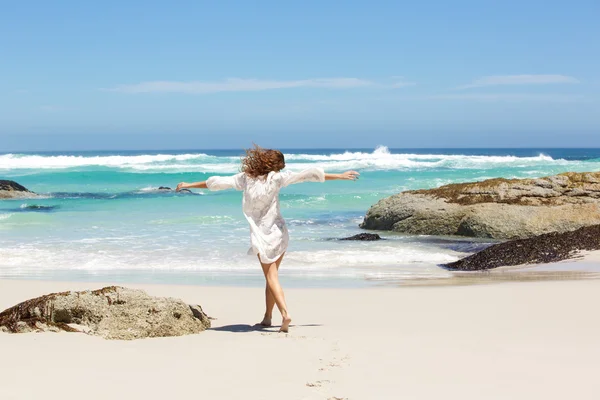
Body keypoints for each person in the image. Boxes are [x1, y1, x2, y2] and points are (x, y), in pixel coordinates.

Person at [176, 145, 359, 332]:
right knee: (271, 277)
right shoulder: (277, 178)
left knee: (271, 276)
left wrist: (188, 185)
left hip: (262, 236)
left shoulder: (246, 179)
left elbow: (216, 182)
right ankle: (267, 318)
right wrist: (340, 175)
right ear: (276, 166)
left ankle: (285, 314)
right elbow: (308, 175)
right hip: (279, 233)